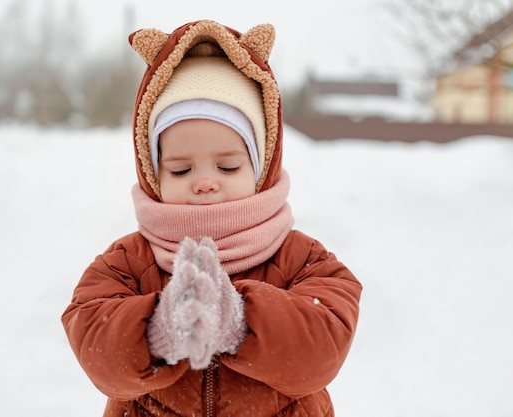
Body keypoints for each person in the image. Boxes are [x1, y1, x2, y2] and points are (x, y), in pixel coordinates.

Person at [61, 20, 362, 416]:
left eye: (228, 166)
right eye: (182, 170)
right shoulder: (129, 262)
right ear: (153, 173)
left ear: (261, 166)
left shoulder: (302, 259)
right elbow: (93, 338)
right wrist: (157, 330)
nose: (205, 183)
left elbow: (322, 348)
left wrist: (241, 322)